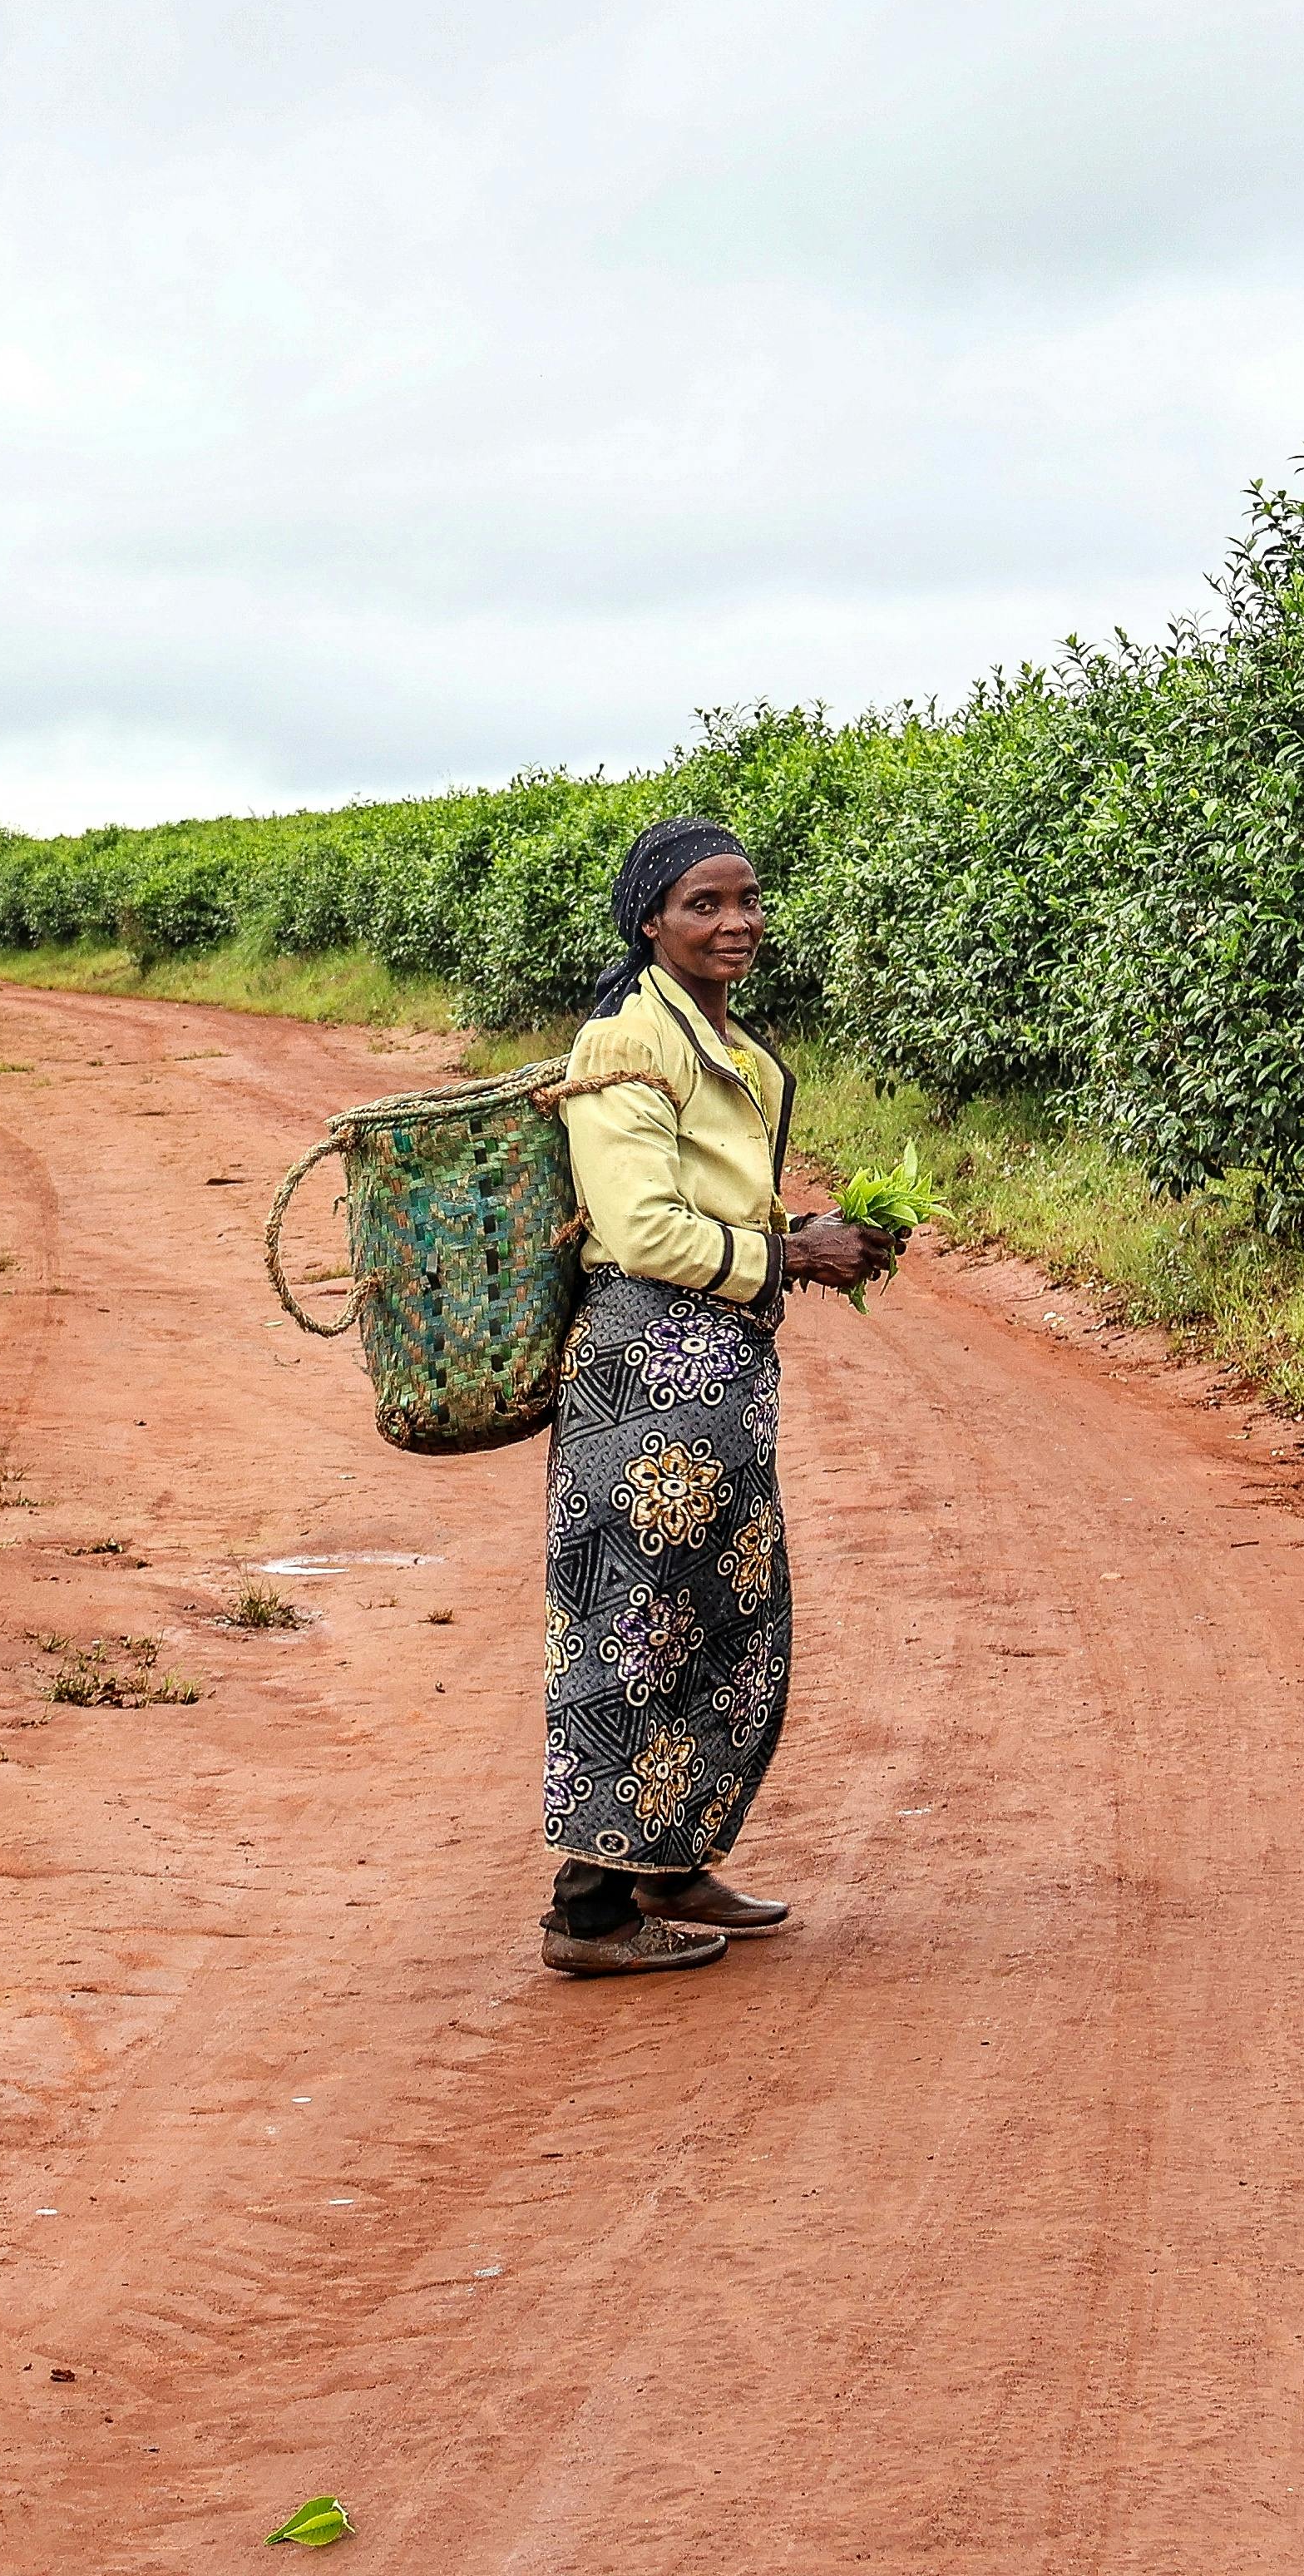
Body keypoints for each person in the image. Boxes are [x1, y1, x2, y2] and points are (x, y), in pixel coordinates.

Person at [531, 814, 901, 1976]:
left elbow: (707, 1207)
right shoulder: (623, 1046)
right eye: (704, 904)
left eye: (744, 900)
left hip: (713, 1375)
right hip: (648, 1375)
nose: (735, 922)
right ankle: (589, 1912)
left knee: (719, 1624)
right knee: (634, 1627)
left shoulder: (705, 1030)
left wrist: (809, 1234)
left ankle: (671, 1862)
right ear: (649, 919)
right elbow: (640, 1230)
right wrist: (791, 1256)